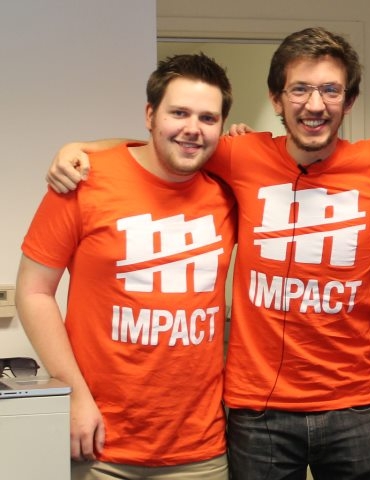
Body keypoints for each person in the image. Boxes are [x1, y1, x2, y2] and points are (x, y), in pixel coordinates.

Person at [45, 27, 370, 479]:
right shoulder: (240, 154)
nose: (316, 105)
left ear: (348, 102)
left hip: (352, 404)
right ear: (276, 99)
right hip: (258, 410)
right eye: (300, 89)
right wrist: (79, 149)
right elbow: (166, 143)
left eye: (331, 90)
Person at [16, 53, 236, 479]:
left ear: (222, 127)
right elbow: (33, 290)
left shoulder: (229, 194)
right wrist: (74, 396)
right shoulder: (84, 181)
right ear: (150, 115)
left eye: (208, 118)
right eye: (179, 113)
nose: (193, 128)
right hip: (100, 443)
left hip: (200, 449)